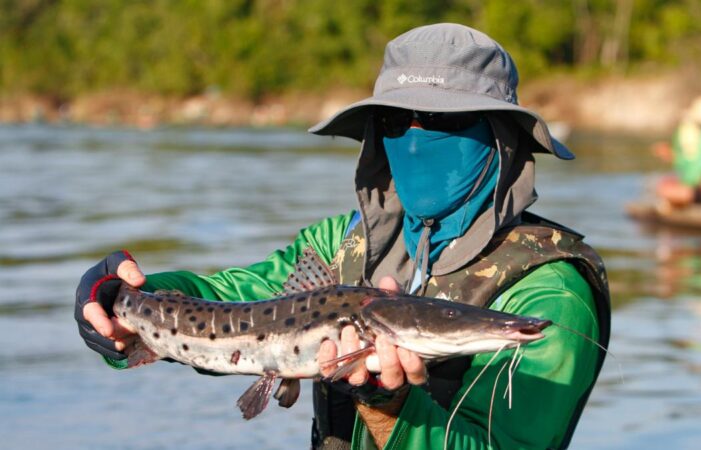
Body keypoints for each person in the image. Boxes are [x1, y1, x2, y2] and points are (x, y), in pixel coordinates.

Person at [74, 24, 610, 450]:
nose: (417, 136)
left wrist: (388, 401)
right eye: (398, 120)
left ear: (503, 140)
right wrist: (116, 298)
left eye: (447, 120)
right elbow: (233, 297)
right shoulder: (342, 243)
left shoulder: (551, 293)